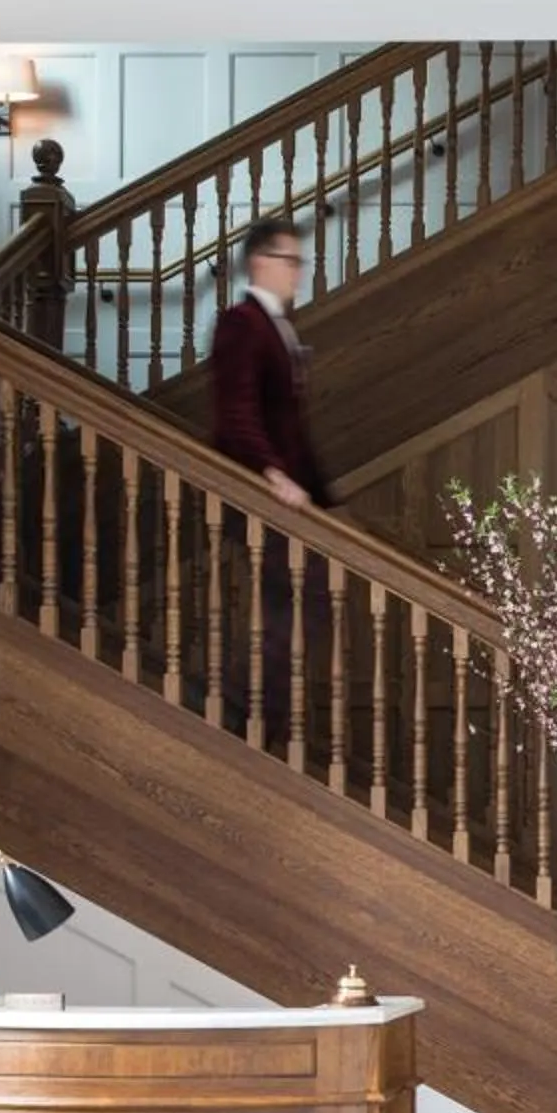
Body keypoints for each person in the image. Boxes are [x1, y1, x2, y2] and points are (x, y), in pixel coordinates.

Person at [209, 218, 332, 745]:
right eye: (292, 262)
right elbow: (236, 412)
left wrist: (326, 500)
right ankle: (245, 714)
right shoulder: (241, 323)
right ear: (262, 261)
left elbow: (296, 429)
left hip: (287, 491)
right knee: (297, 599)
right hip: (258, 491)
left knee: (305, 601)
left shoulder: (281, 326)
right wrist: (272, 474)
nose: (299, 274)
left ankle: (259, 716)